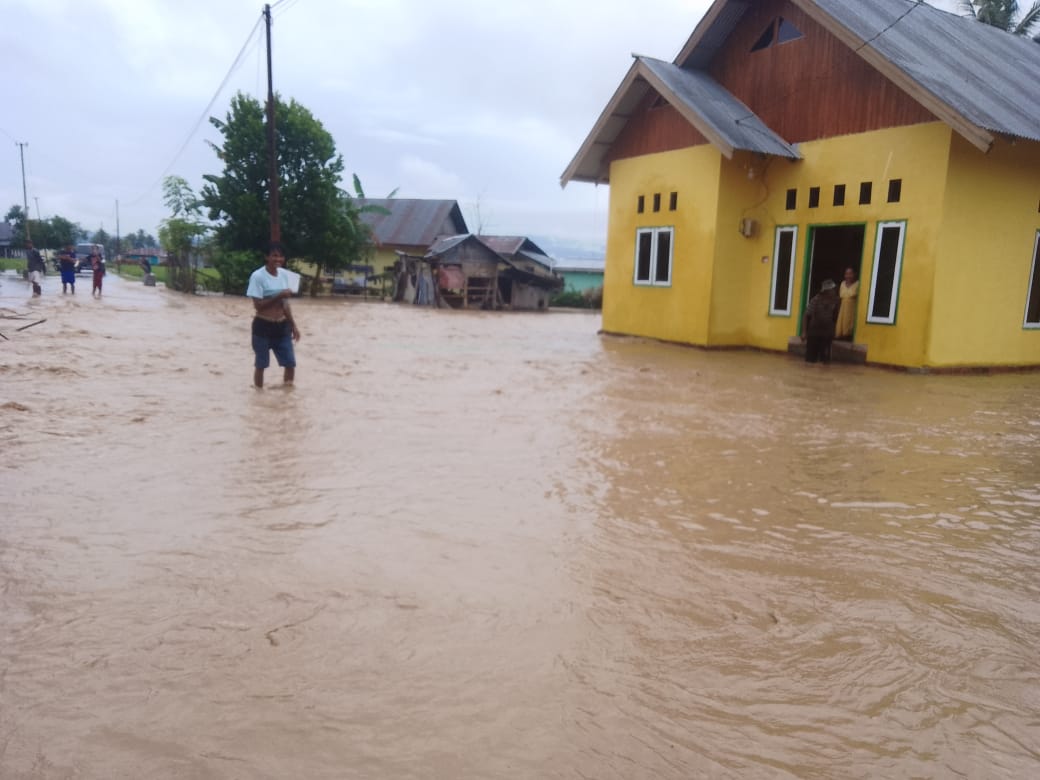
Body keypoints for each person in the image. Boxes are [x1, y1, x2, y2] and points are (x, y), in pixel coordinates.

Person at [246, 241, 300, 388]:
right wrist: (279, 295)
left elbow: (285, 305)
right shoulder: (257, 277)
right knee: (261, 365)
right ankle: (259, 396)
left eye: (281, 257)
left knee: (290, 363)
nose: (278, 260)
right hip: (263, 326)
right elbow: (258, 307)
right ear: (266, 257)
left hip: (282, 326)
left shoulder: (284, 275)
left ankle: (287, 396)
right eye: (274, 256)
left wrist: (293, 325)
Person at [802, 278, 840, 364]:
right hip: (814, 331)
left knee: (825, 361)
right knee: (810, 360)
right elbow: (806, 315)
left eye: (834, 289)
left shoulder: (835, 301)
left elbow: (836, 316)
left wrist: (834, 331)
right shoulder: (816, 300)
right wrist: (804, 332)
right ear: (827, 291)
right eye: (832, 290)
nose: (834, 291)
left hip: (827, 332)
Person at [835, 267, 859, 340]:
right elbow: (840, 299)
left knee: (849, 330)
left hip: (852, 311)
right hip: (842, 311)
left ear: (855, 274)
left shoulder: (858, 284)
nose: (848, 276)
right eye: (846, 274)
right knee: (841, 330)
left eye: (850, 274)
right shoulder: (842, 284)